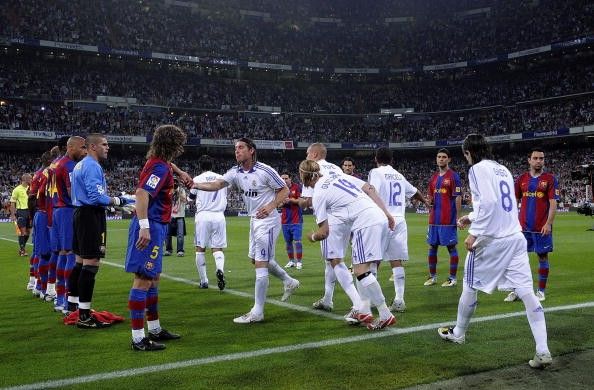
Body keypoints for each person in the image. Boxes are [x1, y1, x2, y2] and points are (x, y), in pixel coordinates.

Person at [438, 134, 552, 369]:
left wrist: (475, 232)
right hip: (514, 237)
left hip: (492, 240)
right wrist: (470, 217)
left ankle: (458, 332)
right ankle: (543, 350)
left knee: (469, 284)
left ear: (468, 152)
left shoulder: (477, 169)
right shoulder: (503, 169)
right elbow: (498, 204)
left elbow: (489, 203)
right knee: (527, 293)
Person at [194, 138, 299, 324]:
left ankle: (257, 311)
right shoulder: (235, 172)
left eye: (241, 148)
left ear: (251, 151)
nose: (237, 151)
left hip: (267, 221)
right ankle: (289, 281)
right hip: (254, 220)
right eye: (235, 148)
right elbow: (217, 184)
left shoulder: (265, 170)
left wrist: (271, 205)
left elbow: (284, 190)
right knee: (256, 259)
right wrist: (195, 185)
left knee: (261, 262)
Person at [301, 160, 396, 330]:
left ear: (304, 177)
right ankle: (365, 310)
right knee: (364, 269)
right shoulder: (337, 177)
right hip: (377, 217)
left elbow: (324, 232)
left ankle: (384, 313)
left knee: (360, 271)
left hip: (365, 222)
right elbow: (368, 188)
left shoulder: (318, 194)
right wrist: (387, 214)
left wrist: (312, 237)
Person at [125, 125, 191, 350]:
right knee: (143, 279)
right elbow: (142, 193)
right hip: (150, 226)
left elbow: (166, 166)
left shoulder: (159, 163)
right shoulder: (160, 168)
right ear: (173, 145)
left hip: (157, 225)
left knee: (153, 278)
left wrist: (180, 172)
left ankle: (154, 328)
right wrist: (144, 227)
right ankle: (138, 339)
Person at [68, 133, 127, 328]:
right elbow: (96, 197)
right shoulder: (92, 166)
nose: (107, 147)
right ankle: (84, 316)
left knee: (79, 262)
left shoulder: (80, 165)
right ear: (92, 147)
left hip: (79, 214)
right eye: (104, 144)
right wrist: (118, 201)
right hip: (90, 215)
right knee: (91, 262)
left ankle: (74, 308)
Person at [368, 147, 429, 312]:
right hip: (400, 221)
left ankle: (373, 300)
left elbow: (371, 192)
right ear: (392, 160)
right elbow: (415, 192)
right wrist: (425, 202)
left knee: (374, 259)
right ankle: (399, 299)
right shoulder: (399, 175)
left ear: (376, 159)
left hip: (383, 218)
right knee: (396, 261)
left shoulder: (375, 172)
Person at [300, 143, 350, 312]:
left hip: (330, 218)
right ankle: (328, 299)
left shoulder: (311, 169)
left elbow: (307, 201)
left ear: (314, 154)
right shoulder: (336, 168)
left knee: (335, 261)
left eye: (307, 153)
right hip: (347, 217)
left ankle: (358, 304)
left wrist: (293, 201)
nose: (306, 156)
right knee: (333, 261)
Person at [505, 148, 558, 302]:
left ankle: (540, 291)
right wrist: (512, 221)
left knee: (542, 256)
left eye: (541, 158)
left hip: (542, 227)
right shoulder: (521, 179)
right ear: (529, 160)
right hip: (522, 227)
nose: (538, 161)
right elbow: (513, 201)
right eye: (535, 158)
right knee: (517, 259)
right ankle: (516, 290)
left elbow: (553, 203)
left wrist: (548, 224)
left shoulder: (550, 179)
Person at [49, 136, 87, 313]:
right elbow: (74, 192)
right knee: (71, 253)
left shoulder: (56, 164)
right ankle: (68, 302)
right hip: (67, 210)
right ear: (70, 147)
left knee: (63, 253)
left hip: (57, 209)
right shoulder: (69, 165)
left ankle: (60, 299)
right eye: (82, 147)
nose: (85, 151)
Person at [425, 148, 462, 287]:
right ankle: (432, 277)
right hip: (434, 220)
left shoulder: (453, 176)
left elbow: (457, 197)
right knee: (432, 247)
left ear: (449, 159)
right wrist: (430, 202)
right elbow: (430, 196)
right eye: (439, 157)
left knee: (451, 248)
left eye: (444, 157)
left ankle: (452, 278)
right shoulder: (434, 178)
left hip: (448, 220)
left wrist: (458, 218)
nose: (441, 159)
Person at [189, 155, 228, 290]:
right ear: (212, 165)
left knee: (200, 249)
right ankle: (220, 269)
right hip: (219, 216)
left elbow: (191, 197)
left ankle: (204, 281)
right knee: (217, 248)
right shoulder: (222, 178)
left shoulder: (197, 179)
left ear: (200, 166)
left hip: (203, 215)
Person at [28, 150, 56, 300]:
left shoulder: (38, 173)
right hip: (46, 214)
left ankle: (37, 283)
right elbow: (35, 196)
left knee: (39, 251)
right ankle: (45, 287)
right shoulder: (48, 173)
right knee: (49, 253)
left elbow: (31, 197)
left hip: (40, 214)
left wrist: (34, 217)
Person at [281, 172, 304, 270]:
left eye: (286, 178)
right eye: (282, 178)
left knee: (297, 241)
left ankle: (299, 262)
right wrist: (282, 202)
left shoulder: (296, 187)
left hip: (296, 219)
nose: (284, 180)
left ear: (290, 179)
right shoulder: (279, 190)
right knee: (288, 242)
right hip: (285, 220)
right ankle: (291, 261)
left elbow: (301, 201)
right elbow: (277, 205)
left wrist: (290, 200)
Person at [10, 173, 32, 257]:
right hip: (21, 211)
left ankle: (22, 247)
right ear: (25, 179)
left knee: (28, 232)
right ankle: (22, 250)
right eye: (30, 179)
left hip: (30, 212)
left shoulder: (31, 188)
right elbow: (12, 203)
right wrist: (12, 215)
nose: (31, 180)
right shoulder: (17, 189)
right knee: (22, 232)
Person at [164, 179, 187, 257]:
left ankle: (180, 251)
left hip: (180, 216)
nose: (174, 183)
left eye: (176, 182)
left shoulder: (181, 190)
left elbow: (185, 200)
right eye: (173, 182)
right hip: (170, 216)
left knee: (180, 234)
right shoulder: (169, 190)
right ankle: (168, 250)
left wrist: (178, 193)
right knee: (167, 234)